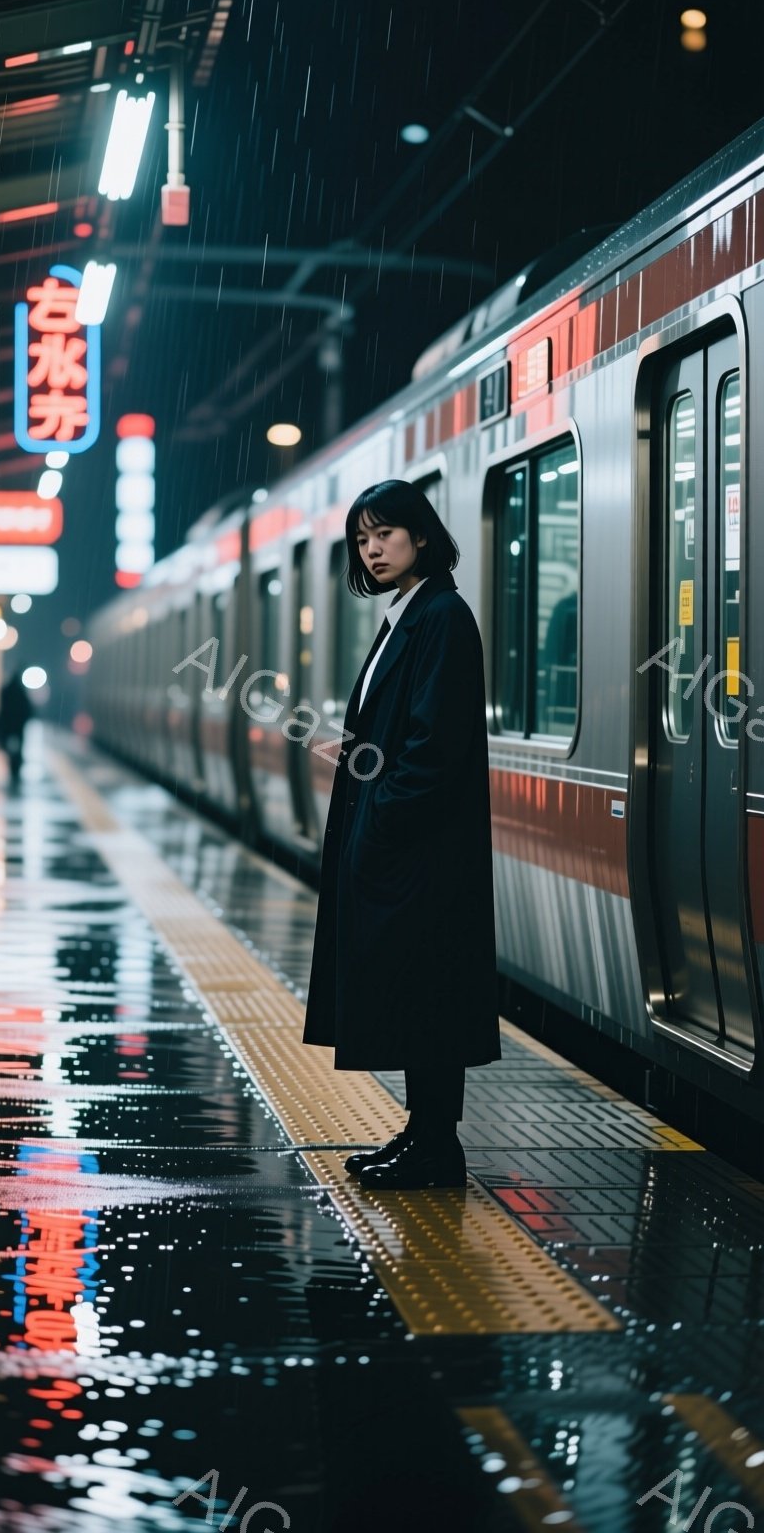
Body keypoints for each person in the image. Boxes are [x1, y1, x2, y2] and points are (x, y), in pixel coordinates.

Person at [302, 479, 501, 1189]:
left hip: (421, 852)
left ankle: (436, 1145)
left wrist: (380, 819)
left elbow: (434, 747)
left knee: (430, 997)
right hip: (407, 848)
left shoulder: (442, 616)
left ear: (420, 535)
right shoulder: (409, 615)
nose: (372, 548)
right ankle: (421, 1135)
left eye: (384, 533)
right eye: (362, 538)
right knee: (422, 997)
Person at [0, 671, 33, 781]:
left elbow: (2, 708)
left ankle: (11, 763)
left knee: (8, 746)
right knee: (19, 746)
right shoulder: (21, 692)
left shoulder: (6, 691)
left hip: (8, 724)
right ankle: (16, 765)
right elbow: (27, 708)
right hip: (18, 725)